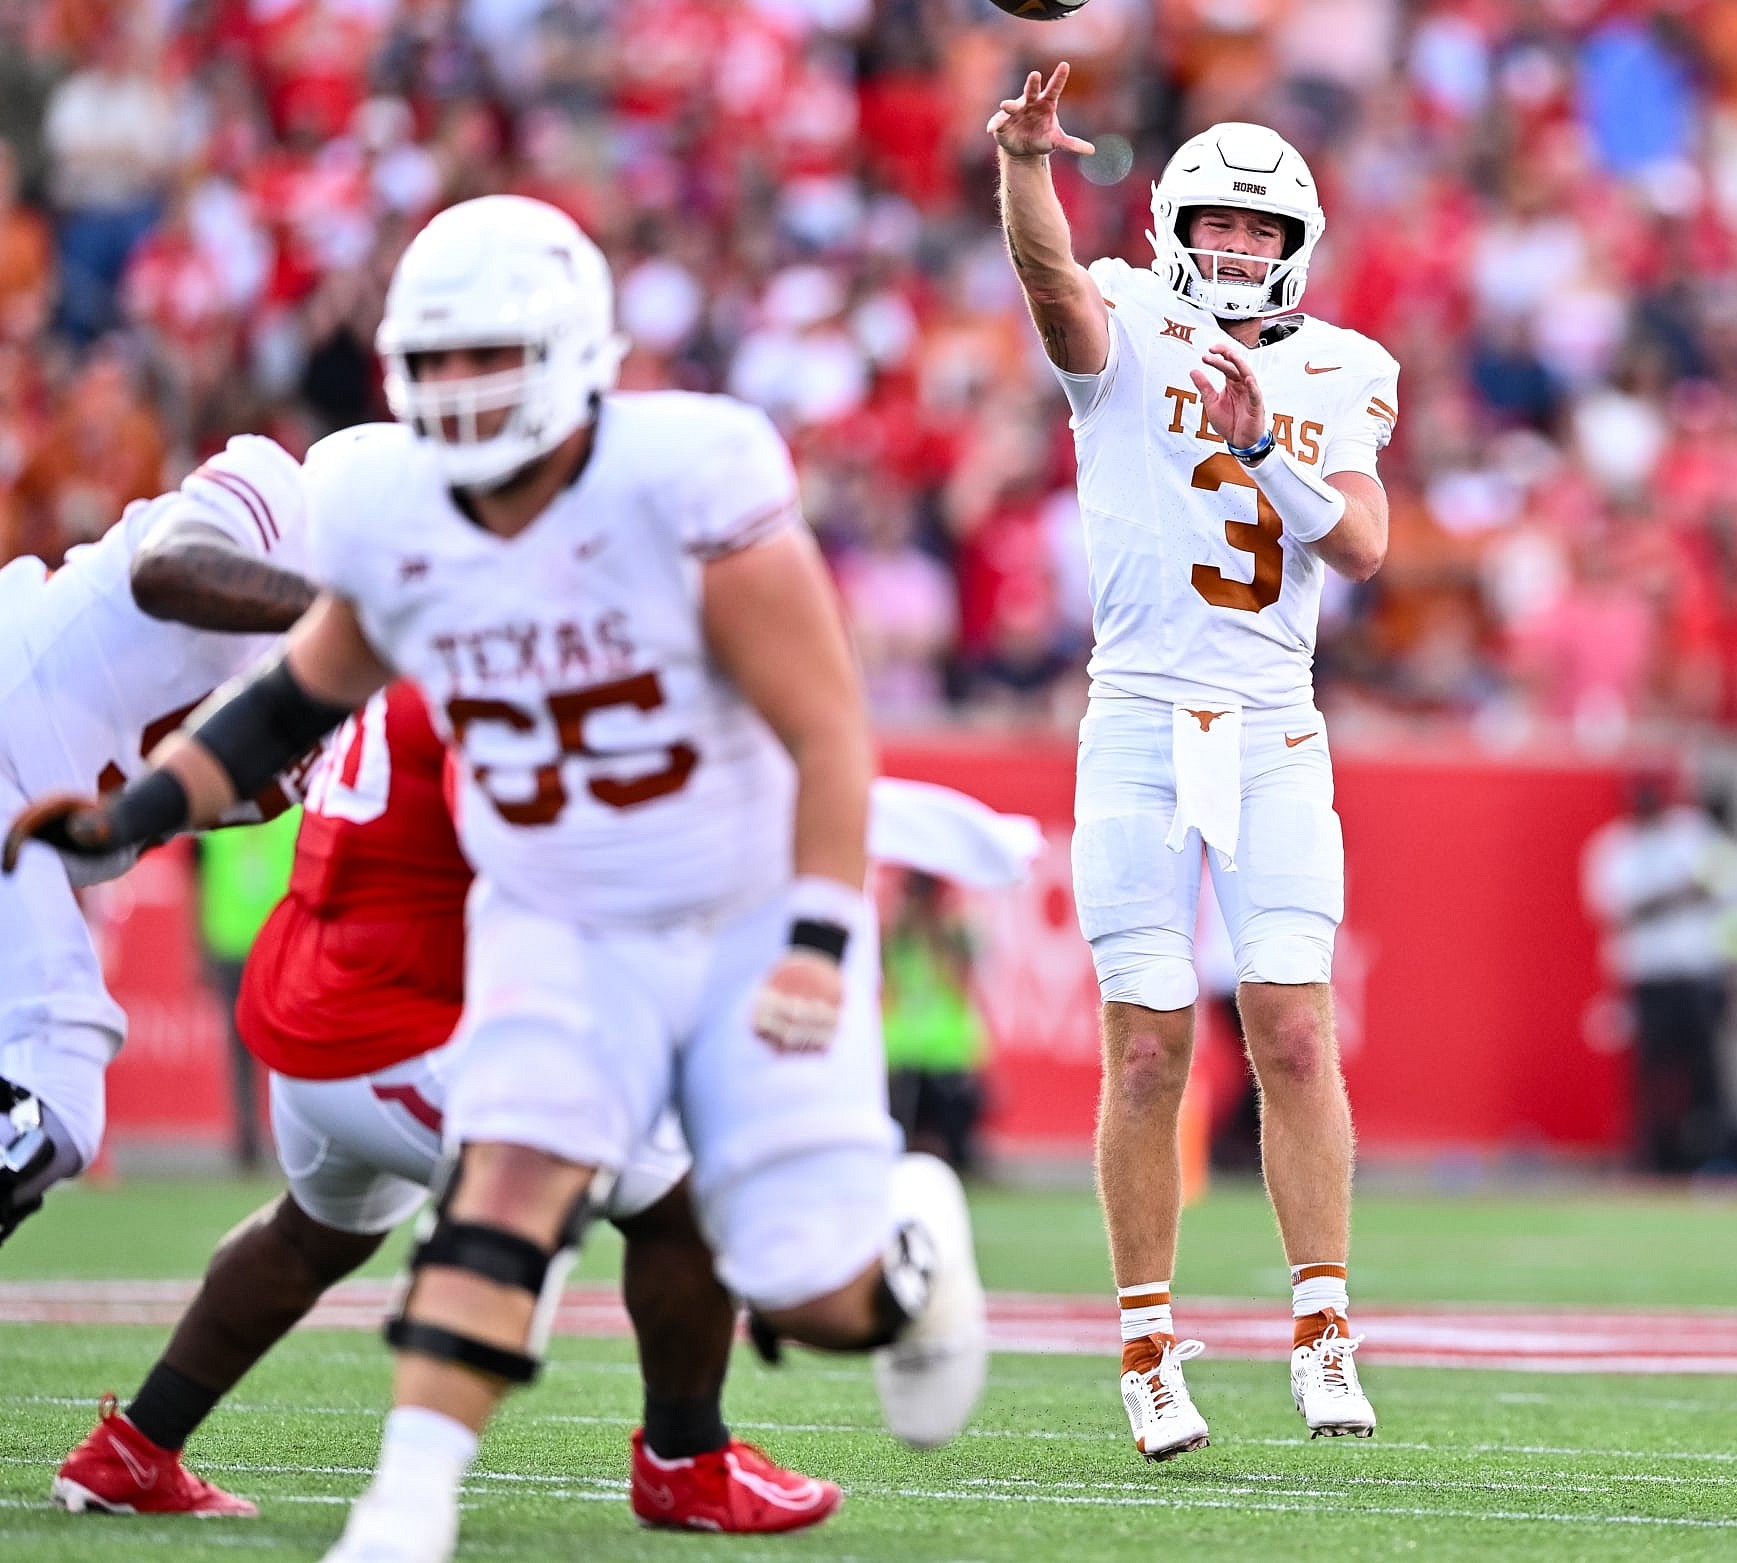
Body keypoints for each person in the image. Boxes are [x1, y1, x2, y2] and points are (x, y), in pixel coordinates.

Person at [7, 195, 987, 1563]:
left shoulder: (677, 486)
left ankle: (143, 1447)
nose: (464, 396)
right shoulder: (374, 526)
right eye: (440, 361)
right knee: (619, 1193)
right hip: (399, 996)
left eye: (493, 358)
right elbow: (279, 695)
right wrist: (147, 810)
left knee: (329, 1228)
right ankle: (659, 1461)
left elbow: (792, 733)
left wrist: (804, 926)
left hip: (357, 994)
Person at [52, 685, 1041, 1531]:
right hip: (395, 1026)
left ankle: (133, 1449)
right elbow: (534, 854)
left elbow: (277, 748)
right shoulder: (488, 669)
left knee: (313, 1235)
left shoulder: (409, 635)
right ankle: (686, 1461)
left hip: (315, 1005)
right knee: (682, 1191)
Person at [989, 64, 1394, 1458]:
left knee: (1293, 1027)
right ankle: (1149, 1346)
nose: (1232, 246)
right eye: (1214, 221)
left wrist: (1259, 446)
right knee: (1150, 1040)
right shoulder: (1128, 316)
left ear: (1294, 244)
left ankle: (1323, 1326)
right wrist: (1026, 168)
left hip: (1274, 722)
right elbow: (1051, 284)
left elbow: (1363, 543)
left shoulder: (1345, 366)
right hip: (1141, 720)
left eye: (1256, 228)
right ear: (1174, 226)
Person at [0, 432, 315, 1247]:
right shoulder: (281, 495)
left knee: (38, 1093)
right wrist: (338, 616)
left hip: (35, 822)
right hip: (8, 736)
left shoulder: (359, 702)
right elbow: (168, 568)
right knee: (57, 1090)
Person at [1581, 773, 1737, 1176]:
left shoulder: (1690, 834)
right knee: (1650, 1072)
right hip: (1647, 978)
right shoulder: (1614, 847)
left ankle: (1710, 1154)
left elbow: (1729, 887)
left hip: (1696, 974)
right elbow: (1617, 909)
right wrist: (1679, 894)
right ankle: (1651, 1156)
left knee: (1706, 1071)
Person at [194, 808, 298, 1171]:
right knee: (240, 1048)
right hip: (230, 946)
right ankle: (247, 1140)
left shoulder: (291, 815)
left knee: (286, 1047)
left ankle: (291, 1136)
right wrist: (198, 948)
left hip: (279, 947)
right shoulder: (216, 818)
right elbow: (198, 881)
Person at [881, 869, 990, 1173]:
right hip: (905, 1050)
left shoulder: (953, 936)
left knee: (957, 1151)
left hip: (946, 1052)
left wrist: (942, 936)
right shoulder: (895, 937)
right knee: (900, 1143)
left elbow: (962, 982)